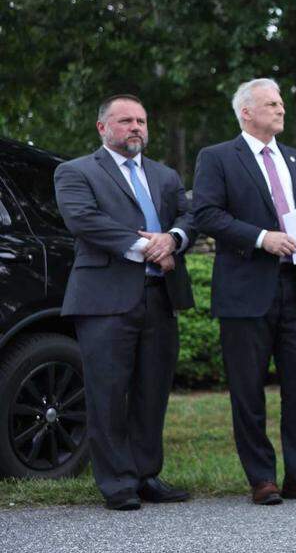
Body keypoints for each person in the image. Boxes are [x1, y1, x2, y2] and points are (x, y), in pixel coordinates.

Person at [192, 78, 296, 504]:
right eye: (271, 104)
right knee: (247, 387)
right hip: (245, 289)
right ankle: (262, 479)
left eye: (281, 103)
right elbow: (205, 214)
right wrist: (261, 238)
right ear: (246, 112)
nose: (281, 110)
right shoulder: (218, 157)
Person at [53, 94, 195, 510]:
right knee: (108, 393)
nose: (136, 127)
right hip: (105, 300)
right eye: (126, 121)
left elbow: (189, 217)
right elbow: (84, 220)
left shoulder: (165, 175)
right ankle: (116, 483)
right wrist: (146, 246)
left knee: (153, 391)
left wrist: (174, 239)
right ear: (102, 128)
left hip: (159, 296)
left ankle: (146, 474)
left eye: (141, 120)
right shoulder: (76, 171)